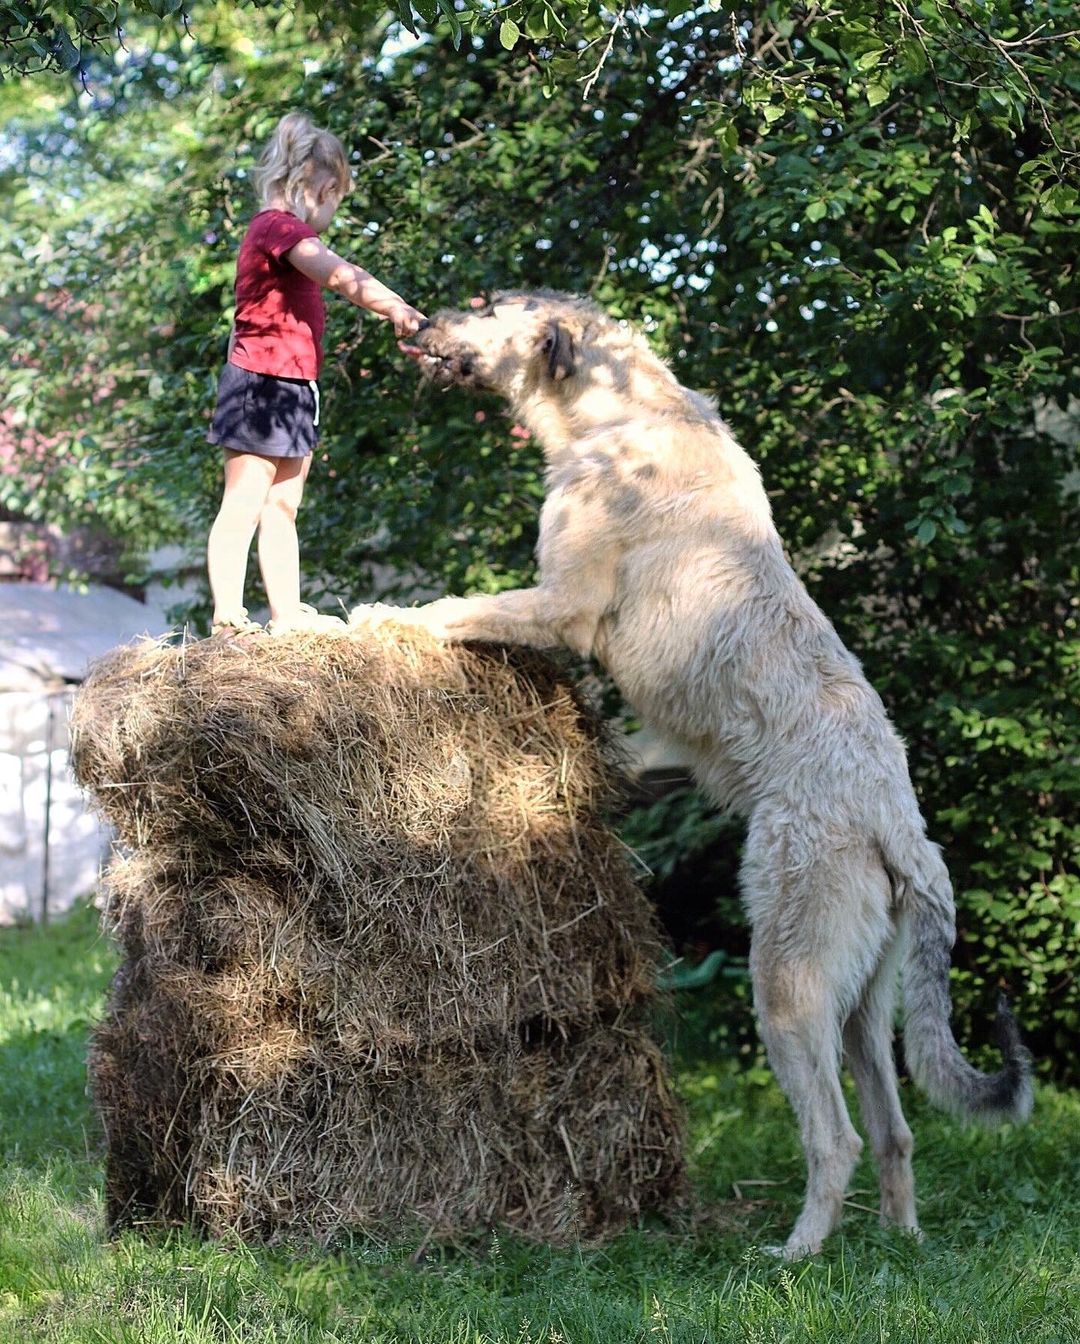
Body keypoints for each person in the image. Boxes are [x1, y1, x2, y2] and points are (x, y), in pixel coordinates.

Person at [206, 111, 425, 636]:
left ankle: (285, 613)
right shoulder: (276, 227)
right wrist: (396, 308)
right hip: (260, 382)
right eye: (336, 200)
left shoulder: (286, 228)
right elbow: (341, 276)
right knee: (245, 497)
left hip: (296, 386)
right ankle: (227, 614)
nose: (333, 213)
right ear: (319, 186)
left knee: (283, 504)